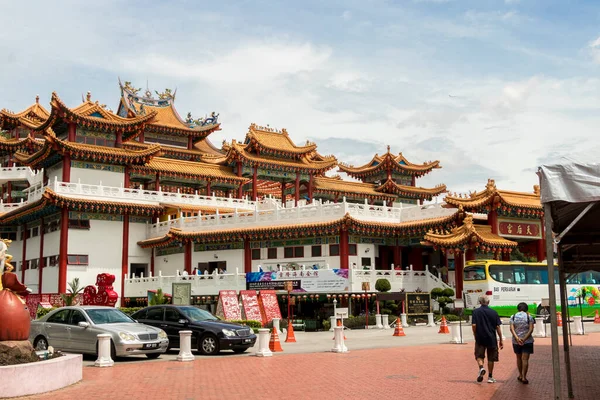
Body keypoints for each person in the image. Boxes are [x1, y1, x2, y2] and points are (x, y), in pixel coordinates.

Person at [472, 295, 503, 383]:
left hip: (480, 338)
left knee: (479, 355)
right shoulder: (494, 312)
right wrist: (500, 339)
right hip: (492, 338)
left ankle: (481, 368)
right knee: (491, 358)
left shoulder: (476, 312)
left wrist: (475, 334)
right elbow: (497, 327)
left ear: (480, 302)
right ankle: (490, 376)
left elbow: (474, 325)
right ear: (488, 302)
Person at [510, 302, 535, 384]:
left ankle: (520, 375)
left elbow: (512, 329)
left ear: (518, 308)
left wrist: (517, 338)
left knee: (518, 358)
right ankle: (524, 377)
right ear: (526, 309)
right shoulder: (529, 317)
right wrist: (524, 339)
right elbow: (531, 329)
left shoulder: (513, 317)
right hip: (527, 341)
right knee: (525, 359)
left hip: (516, 341)